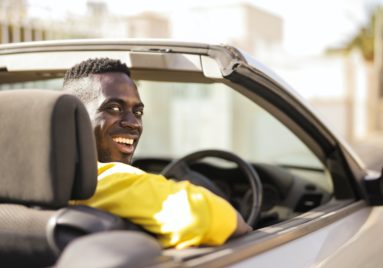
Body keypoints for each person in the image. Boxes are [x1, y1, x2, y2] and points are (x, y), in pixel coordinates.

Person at [63, 58, 252, 249]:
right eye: (114, 108)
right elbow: (204, 217)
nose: (134, 123)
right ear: (73, 118)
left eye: (138, 112)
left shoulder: (48, 180)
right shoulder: (102, 180)